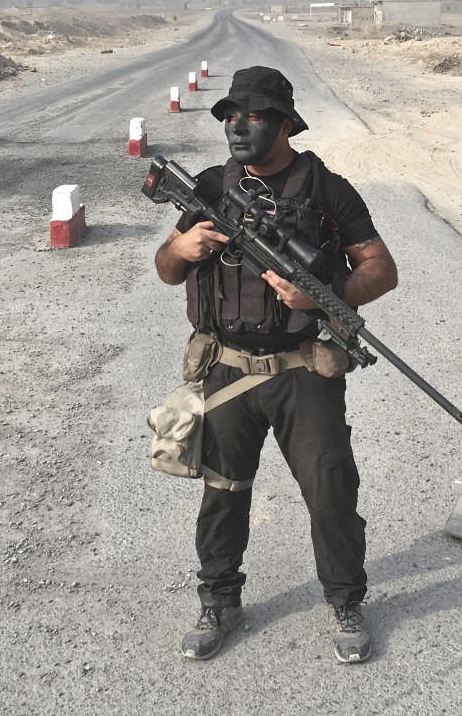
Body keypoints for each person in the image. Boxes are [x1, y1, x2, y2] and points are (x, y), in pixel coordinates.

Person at [154, 65, 398, 663]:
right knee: (222, 489)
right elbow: (167, 269)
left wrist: (325, 292)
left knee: (330, 489)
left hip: (302, 369)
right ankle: (219, 599)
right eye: (231, 116)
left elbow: (381, 269)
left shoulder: (327, 190)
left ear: (286, 123)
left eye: (254, 116)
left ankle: (344, 600)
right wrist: (180, 248)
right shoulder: (211, 188)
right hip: (225, 366)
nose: (238, 127)